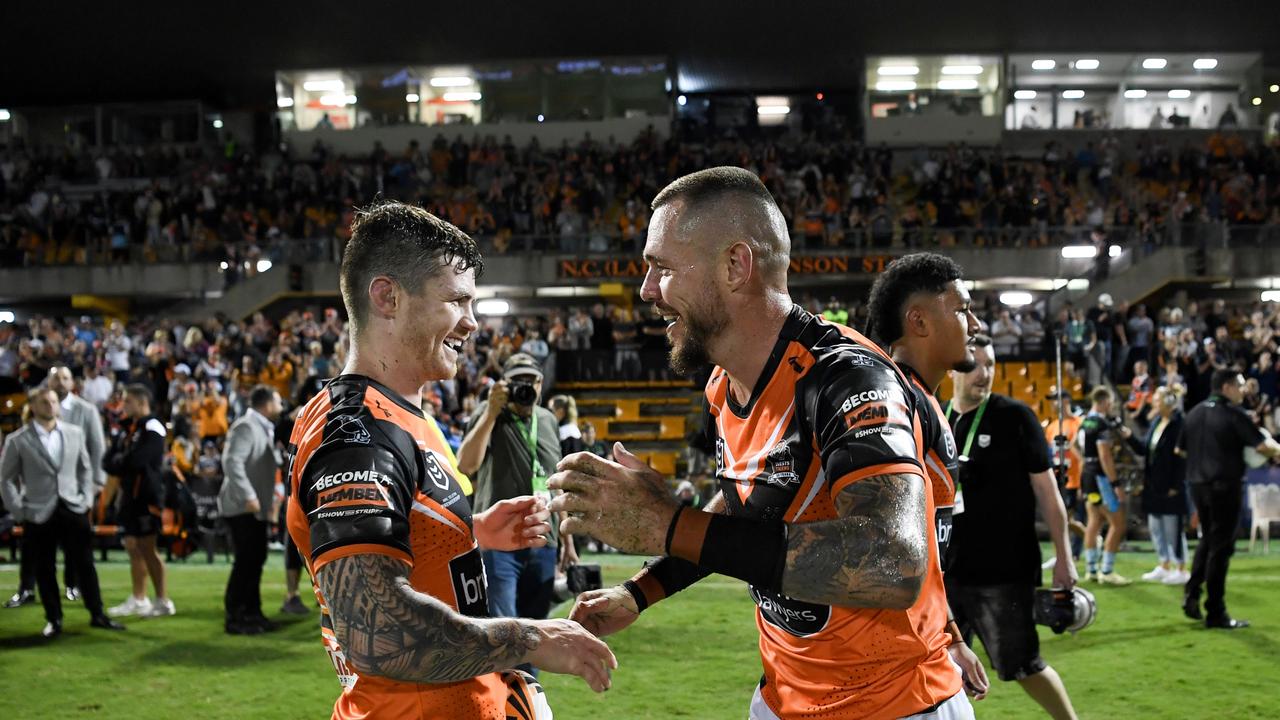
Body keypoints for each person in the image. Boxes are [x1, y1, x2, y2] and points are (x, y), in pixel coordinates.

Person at [552, 167, 968, 719]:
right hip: (784, 696)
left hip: (894, 704)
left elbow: (893, 561)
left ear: (735, 266)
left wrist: (668, 523)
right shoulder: (725, 383)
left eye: (663, 268)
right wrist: (642, 590)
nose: (648, 291)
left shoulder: (850, 379)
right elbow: (749, 503)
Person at [285, 201, 614, 719]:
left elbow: (401, 542)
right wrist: (529, 637)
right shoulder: (357, 434)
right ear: (388, 297)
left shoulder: (400, 414)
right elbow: (379, 634)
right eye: (457, 301)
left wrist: (471, 531)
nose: (473, 323)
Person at [864, 252, 990, 701]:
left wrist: (952, 635)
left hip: (923, 651)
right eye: (961, 309)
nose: (973, 324)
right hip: (892, 675)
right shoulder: (890, 405)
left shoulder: (921, 399)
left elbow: (926, 554)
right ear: (918, 321)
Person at [945, 336, 1082, 720]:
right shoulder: (939, 416)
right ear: (954, 367)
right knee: (942, 670)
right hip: (949, 574)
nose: (984, 374)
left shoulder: (1015, 417)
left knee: (1022, 665)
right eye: (975, 365)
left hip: (1006, 572)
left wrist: (1064, 559)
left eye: (991, 365)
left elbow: (1049, 493)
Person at [457, 354, 578, 641]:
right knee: (506, 630)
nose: (527, 388)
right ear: (506, 385)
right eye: (518, 381)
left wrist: (567, 538)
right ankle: (505, 687)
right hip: (500, 543)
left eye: (532, 381)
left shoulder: (547, 419)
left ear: (541, 383)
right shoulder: (489, 412)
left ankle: (527, 687)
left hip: (544, 541)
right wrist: (490, 413)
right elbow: (466, 465)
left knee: (534, 634)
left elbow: (555, 481)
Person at [0, 386, 125, 638]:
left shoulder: (74, 433)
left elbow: (85, 469)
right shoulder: (17, 440)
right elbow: (6, 479)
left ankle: (97, 613)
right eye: (45, 402)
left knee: (85, 564)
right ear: (32, 407)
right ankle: (54, 619)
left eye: (54, 401)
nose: (51, 405)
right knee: (45, 568)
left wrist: (85, 497)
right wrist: (19, 510)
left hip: (72, 507)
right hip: (37, 512)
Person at [1179, 369, 1280, 628]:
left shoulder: (1194, 412)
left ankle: (1192, 593)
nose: (1243, 390)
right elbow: (1261, 446)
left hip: (1197, 485)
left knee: (1208, 540)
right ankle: (1216, 611)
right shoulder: (1234, 414)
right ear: (1226, 387)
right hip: (1224, 485)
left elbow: (1180, 449)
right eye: (1240, 385)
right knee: (1221, 547)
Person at [7, 366, 108, 605]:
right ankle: (27, 589)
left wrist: (93, 487)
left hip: (73, 491)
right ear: (48, 383)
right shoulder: (36, 409)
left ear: (73, 382)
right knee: (33, 548)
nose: (61, 382)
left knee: (77, 549)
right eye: (56, 378)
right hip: (39, 492)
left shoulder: (87, 410)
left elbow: (97, 449)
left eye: (65, 378)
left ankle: (72, 586)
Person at [104, 385, 175, 618]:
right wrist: (122, 461)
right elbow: (108, 461)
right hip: (129, 497)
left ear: (141, 402)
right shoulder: (128, 428)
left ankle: (163, 601)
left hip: (146, 496)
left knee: (148, 548)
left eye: (127, 402)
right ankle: (139, 598)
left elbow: (139, 460)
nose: (123, 406)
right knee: (133, 548)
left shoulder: (153, 425)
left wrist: (121, 461)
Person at [219, 385, 284, 634]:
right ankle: (235, 617)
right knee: (245, 561)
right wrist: (249, 496)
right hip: (242, 507)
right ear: (267, 404)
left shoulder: (260, 427)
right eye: (278, 402)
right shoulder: (246, 426)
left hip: (255, 507)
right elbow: (231, 462)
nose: (280, 406)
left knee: (255, 559)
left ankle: (253, 613)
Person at [1132, 385, 1190, 585]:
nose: (1153, 403)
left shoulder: (1179, 424)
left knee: (1173, 527)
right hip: (1153, 483)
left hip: (1171, 484)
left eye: (1157, 399)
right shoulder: (1157, 421)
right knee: (1156, 526)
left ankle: (1180, 568)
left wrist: (1176, 484)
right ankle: (1164, 564)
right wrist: (1128, 437)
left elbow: (1182, 457)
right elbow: (1144, 450)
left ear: (1168, 402)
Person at [1077, 387, 1133, 585]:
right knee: (1118, 524)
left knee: (1094, 521)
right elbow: (1105, 455)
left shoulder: (1084, 422)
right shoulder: (1101, 424)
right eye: (1109, 403)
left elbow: (1077, 449)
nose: (1111, 407)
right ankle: (1107, 571)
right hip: (1100, 477)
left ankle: (1091, 569)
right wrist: (1115, 483)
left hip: (1087, 474)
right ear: (1103, 402)